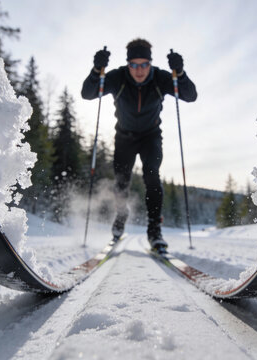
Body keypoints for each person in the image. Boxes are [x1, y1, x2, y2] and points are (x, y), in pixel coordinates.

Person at [81, 38, 197, 252]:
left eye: (144, 64)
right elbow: (88, 94)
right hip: (124, 137)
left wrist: (179, 72)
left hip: (151, 136)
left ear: (150, 63)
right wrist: (97, 69)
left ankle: (154, 231)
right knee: (121, 181)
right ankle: (120, 216)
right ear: (128, 64)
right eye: (134, 64)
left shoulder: (161, 78)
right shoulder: (117, 77)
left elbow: (190, 96)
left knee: (152, 177)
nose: (139, 70)